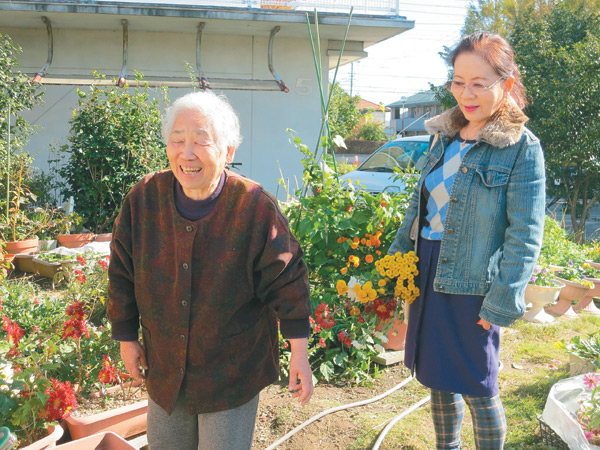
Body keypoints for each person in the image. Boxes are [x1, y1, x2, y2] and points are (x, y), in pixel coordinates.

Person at [107, 90, 313, 450]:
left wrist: (299, 352)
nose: (187, 153)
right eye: (177, 140)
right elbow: (122, 273)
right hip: (166, 365)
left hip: (231, 371)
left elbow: (287, 280)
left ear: (228, 152)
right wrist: (126, 338)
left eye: (201, 142)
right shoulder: (143, 199)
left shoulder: (254, 207)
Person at [389, 32, 545, 449]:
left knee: (479, 385)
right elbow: (416, 208)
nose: (466, 93)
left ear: (506, 84)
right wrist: (398, 262)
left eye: (480, 83)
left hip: (473, 284)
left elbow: (525, 235)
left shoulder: (521, 148)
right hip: (428, 273)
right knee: (438, 378)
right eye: (459, 81)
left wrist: (501, 300)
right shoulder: (442, 137)